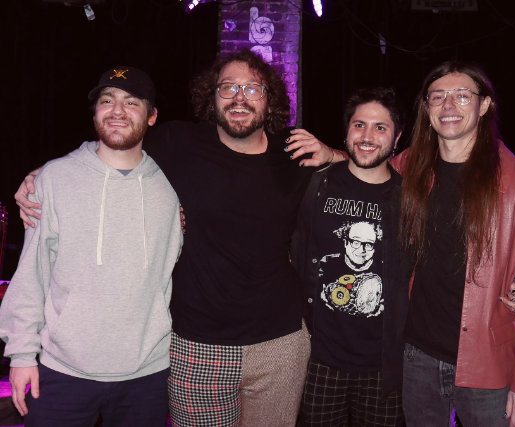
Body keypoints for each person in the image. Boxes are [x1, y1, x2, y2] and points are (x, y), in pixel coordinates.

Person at [15, 50, 341, 427]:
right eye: (228, 87)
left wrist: (332, 153)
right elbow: (114, 144)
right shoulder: (177, 141)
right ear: (212, 97)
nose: (240, 97)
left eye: (253, 88)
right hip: (196, 347)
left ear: (270, 100)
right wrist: (39, 176)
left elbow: (366, 170)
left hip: (280, 344)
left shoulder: (294, 152)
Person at [0, 66, 183, 426]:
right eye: (106, 101)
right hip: (61, 370)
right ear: (95, 111)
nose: (117, 111)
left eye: (131, 102)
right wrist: (21, 355)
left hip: (146, 373)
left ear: (151, 116)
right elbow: (32, 273)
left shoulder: (172, 186)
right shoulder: (54, 178)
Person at [394, 61, 515, 427]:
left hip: (489, 365)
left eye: (462, 96)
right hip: (417, 357)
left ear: (484, 105)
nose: (448, 105)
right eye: (438, 96)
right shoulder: (407, 168)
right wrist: (333, 155)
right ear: (426, 108)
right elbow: (365, 167)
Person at [291, 88, 410, 426]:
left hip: (383, 366)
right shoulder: (314, 185)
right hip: (318, 360)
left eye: (380, 127)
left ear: (397, 138)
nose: (367, 136)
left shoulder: (410, 200)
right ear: (346, 131)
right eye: (359, 125)